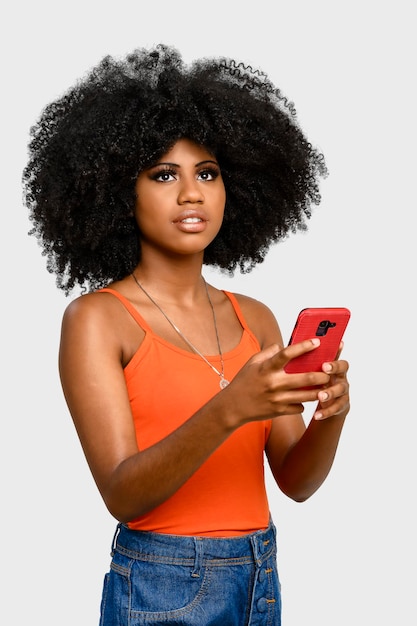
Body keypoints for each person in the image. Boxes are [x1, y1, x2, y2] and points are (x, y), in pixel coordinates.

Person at [22, 44, 350, 626]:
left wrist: (331, 415)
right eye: (164, 175)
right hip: (162, 585)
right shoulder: (98, 319)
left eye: (208, 173)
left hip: (260, 574)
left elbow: (296, 483)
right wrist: (228, 409)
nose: (191, 193)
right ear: (122, 192)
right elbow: (122, 495)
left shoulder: (257, 318)